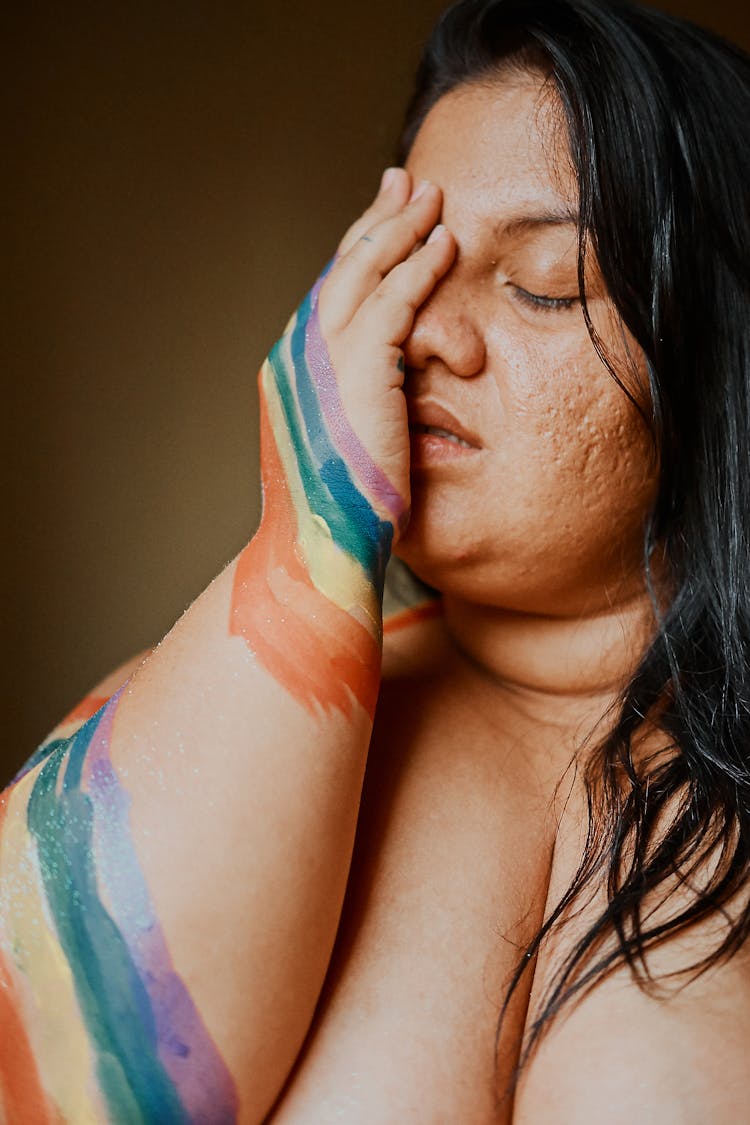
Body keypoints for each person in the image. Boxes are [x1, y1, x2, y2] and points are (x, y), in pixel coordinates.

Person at [2, 0, 750, 1119]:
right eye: (409, 265)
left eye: (546, 279)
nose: (423, 335)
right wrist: (312, 522)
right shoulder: (201, 722)